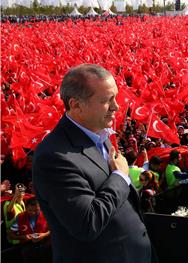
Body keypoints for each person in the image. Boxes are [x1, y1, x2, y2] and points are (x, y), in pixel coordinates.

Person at [32, 64, 154, 263]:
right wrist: (121, 178)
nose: (116, 107)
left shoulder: (97, 133)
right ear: (76, 105)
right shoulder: (54, 157)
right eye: (107, 100)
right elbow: (87, 223)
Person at [8, 198, 51, 263]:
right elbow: (10, 235)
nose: (33, 213)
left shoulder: (46, 214)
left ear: (40, 207)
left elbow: (55, 230)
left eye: (36, 210)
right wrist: (23, 237)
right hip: (27, 248)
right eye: (30, 210)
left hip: (45, 247)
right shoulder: (20, 217)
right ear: (26, 207)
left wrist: (44, 235)